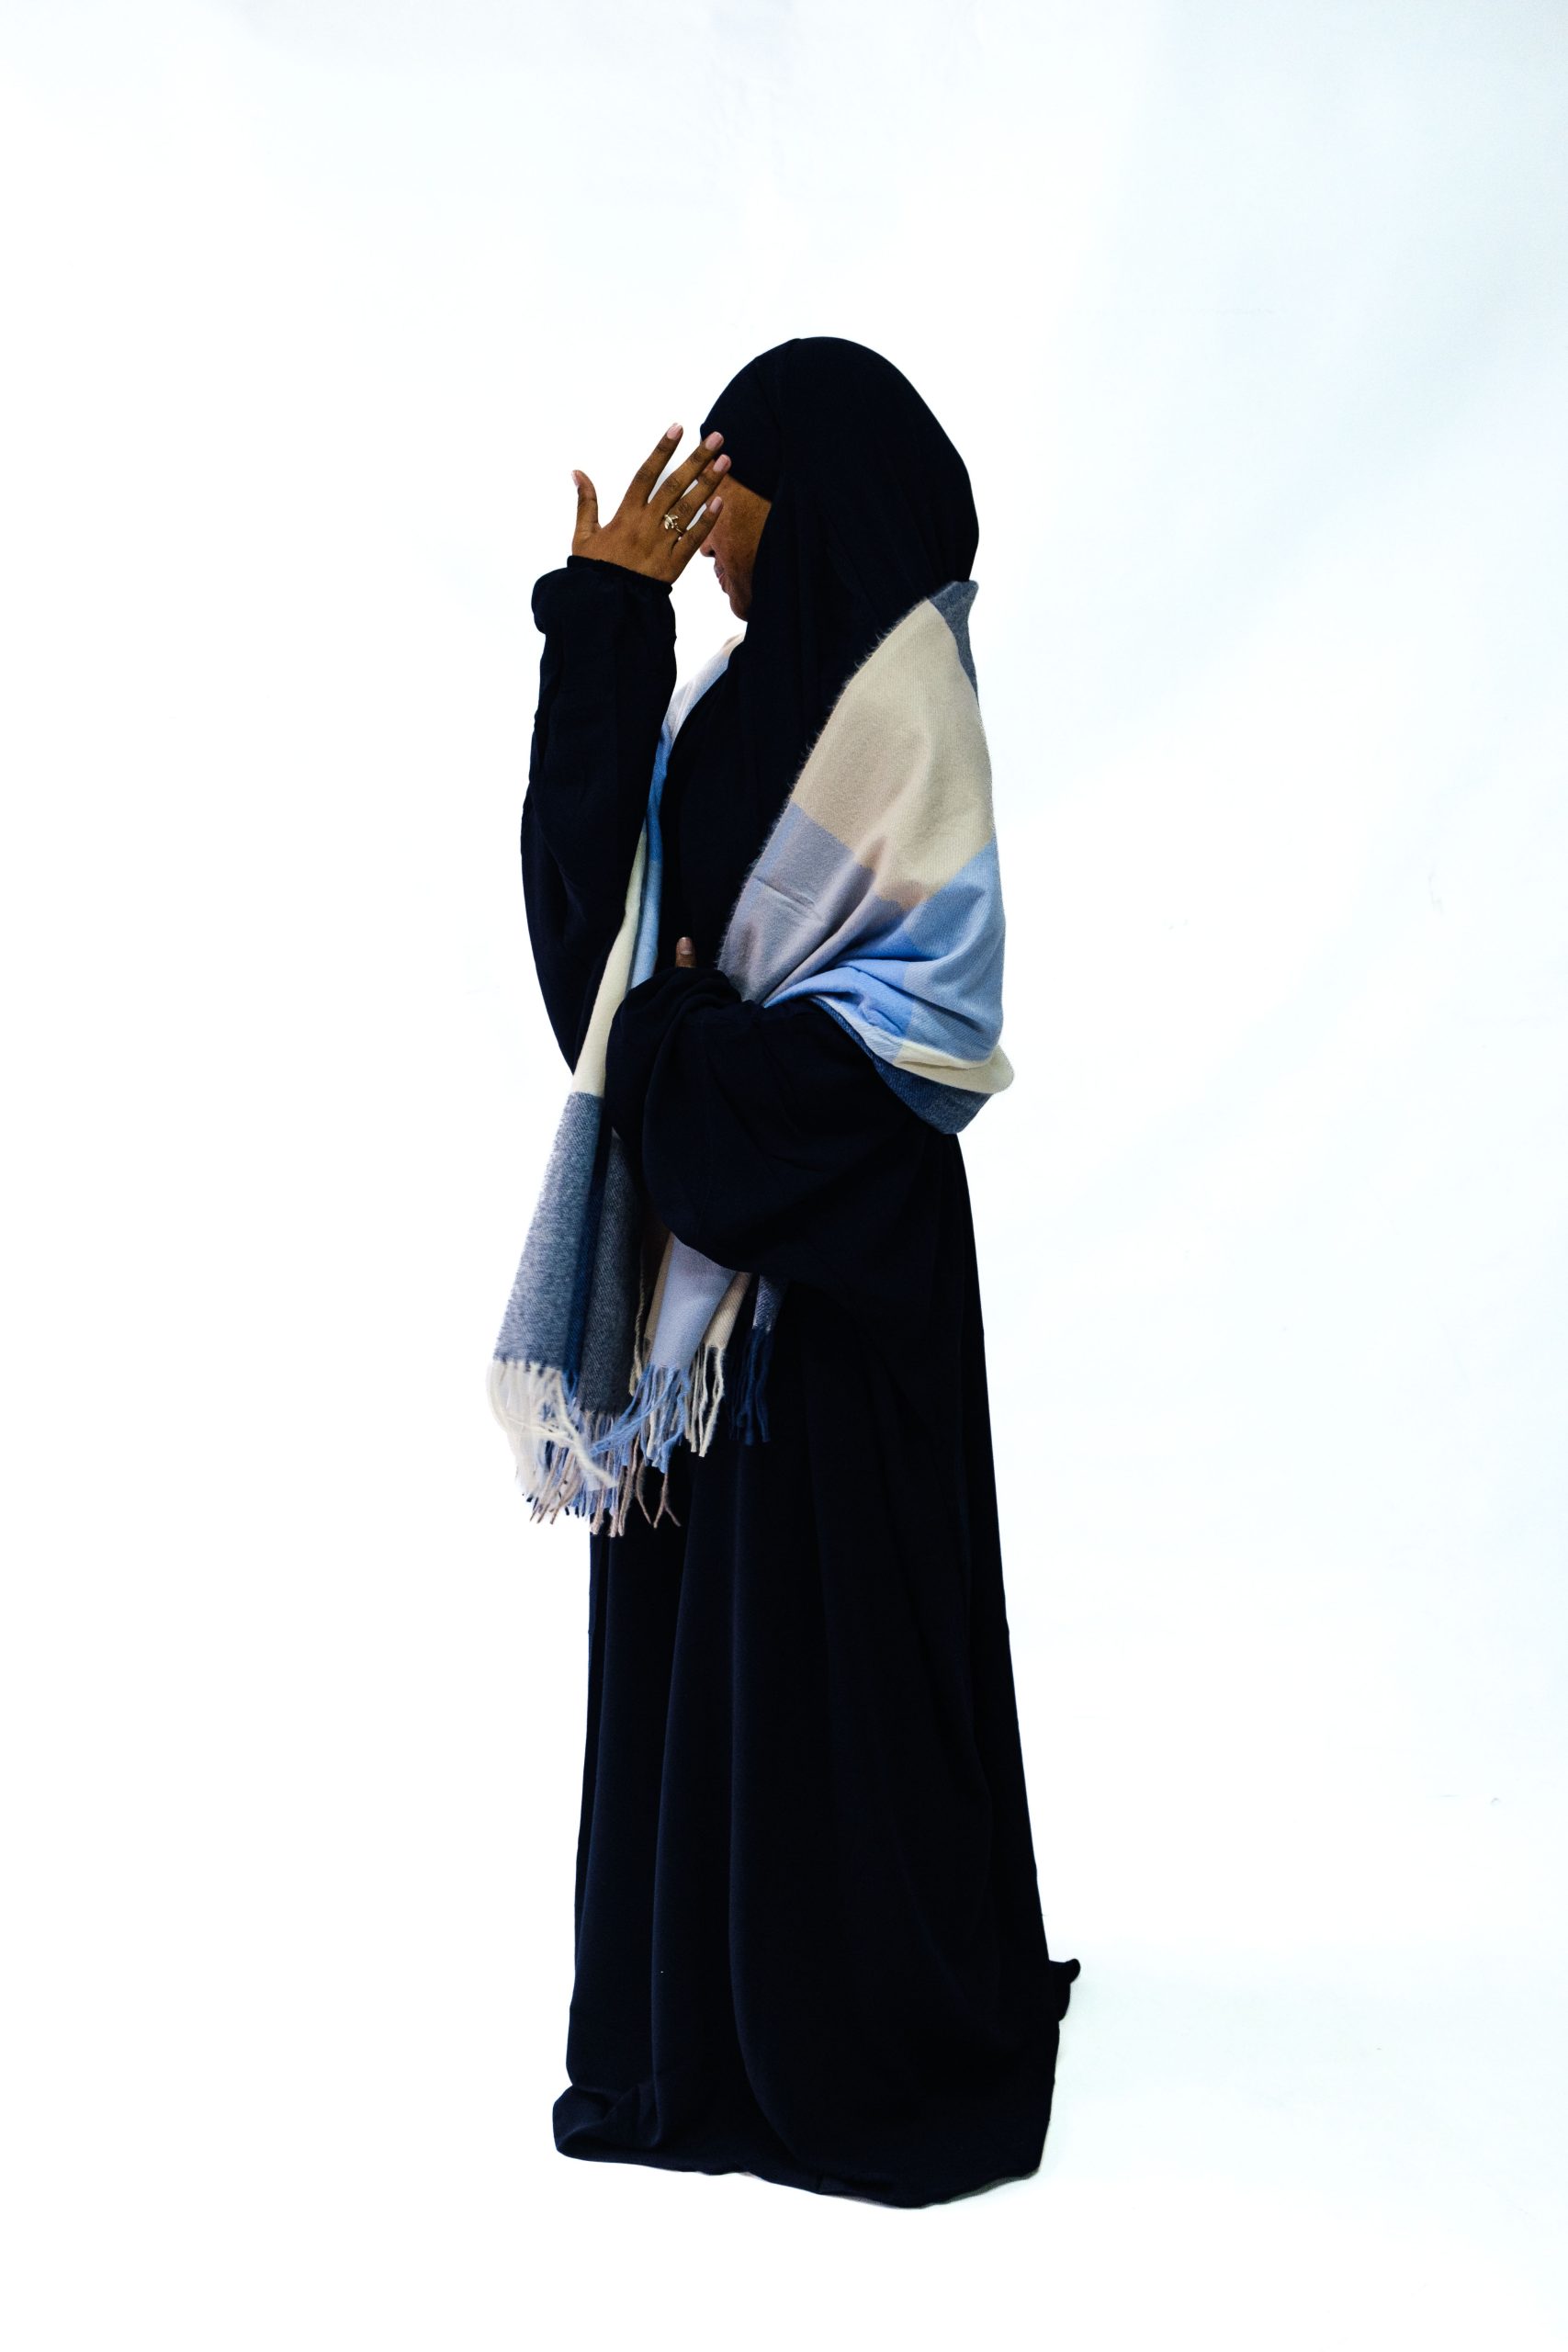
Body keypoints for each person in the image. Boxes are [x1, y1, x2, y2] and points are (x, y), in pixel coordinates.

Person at [519, 336, 1080, 2207]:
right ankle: (698, 2027)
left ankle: (856, 2036)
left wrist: (685, 1046)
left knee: (837, 1650)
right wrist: (604, 629)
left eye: (730, 477)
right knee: (705, 1647)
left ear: (811, 484)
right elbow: (598, 963)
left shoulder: (906, 701)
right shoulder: (720, 704)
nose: (709, 518)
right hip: (710, 1264)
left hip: (837, 1283)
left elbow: (923, 1023)